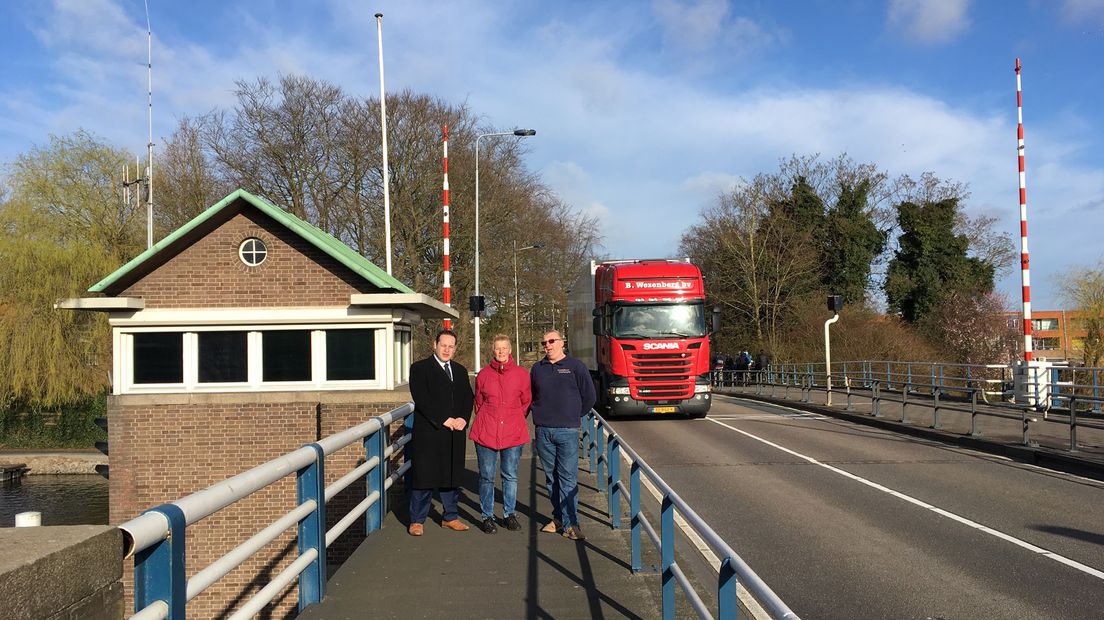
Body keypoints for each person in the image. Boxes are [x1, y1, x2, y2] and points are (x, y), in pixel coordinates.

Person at [407, 329, 475, 536]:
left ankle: (450, 517)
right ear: (434, 345)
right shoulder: (420, 368)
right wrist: (444, 419)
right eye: (443, 345)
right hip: (430, 430)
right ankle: (417, 520)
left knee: (451, 475)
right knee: (424, 476)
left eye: (451, 346)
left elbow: (467, 398)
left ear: (455, 348)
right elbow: (421, 398)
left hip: (455, 431)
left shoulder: (460, 370)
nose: (447, 349)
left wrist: (464, 418)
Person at [530, 330, 596, 541]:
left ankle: (571, 524)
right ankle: (558, 518)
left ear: (562, 343)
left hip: (567, 431)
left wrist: (572, 416)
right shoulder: (537, 369)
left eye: (551, 341)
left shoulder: (576, 367)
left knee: (568, 479)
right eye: (544, 342)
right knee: (552, 479)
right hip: (543, 431)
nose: (547, 345)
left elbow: (589, 397)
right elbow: (531, 395)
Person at [470, 334, 532, 534]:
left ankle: (509, 514)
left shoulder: (522, 374)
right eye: (498, 348)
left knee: (510, 475)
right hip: (486, 431)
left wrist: (513, 417)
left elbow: (526, 402)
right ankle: (487, 516)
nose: (501, 351)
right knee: (486, 476)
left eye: (504, 348)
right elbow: (478, 402)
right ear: (493, 350)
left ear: (510, 350)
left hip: (513, 431)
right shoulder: (484, 375)